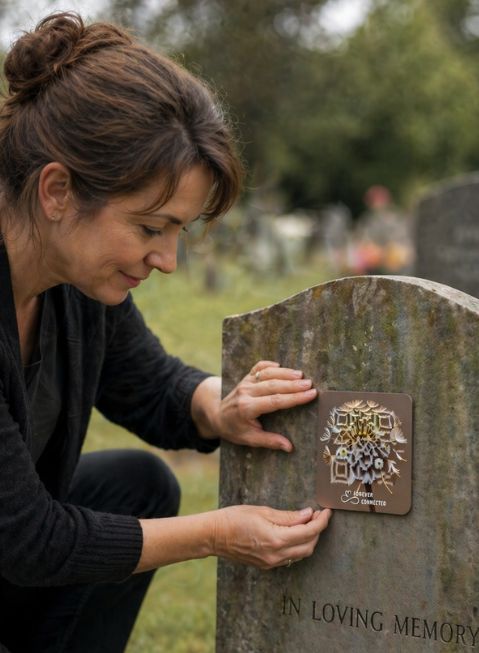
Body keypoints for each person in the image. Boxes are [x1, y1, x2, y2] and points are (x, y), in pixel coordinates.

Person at [0, 12, 332, 652]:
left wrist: (222, 407)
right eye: (151, 228)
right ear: (58, 190)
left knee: (138, 485)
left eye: (177, 231)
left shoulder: (72, 278)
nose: (167, 259)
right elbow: (25, 538)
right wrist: (218, 533)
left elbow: (147, 382)